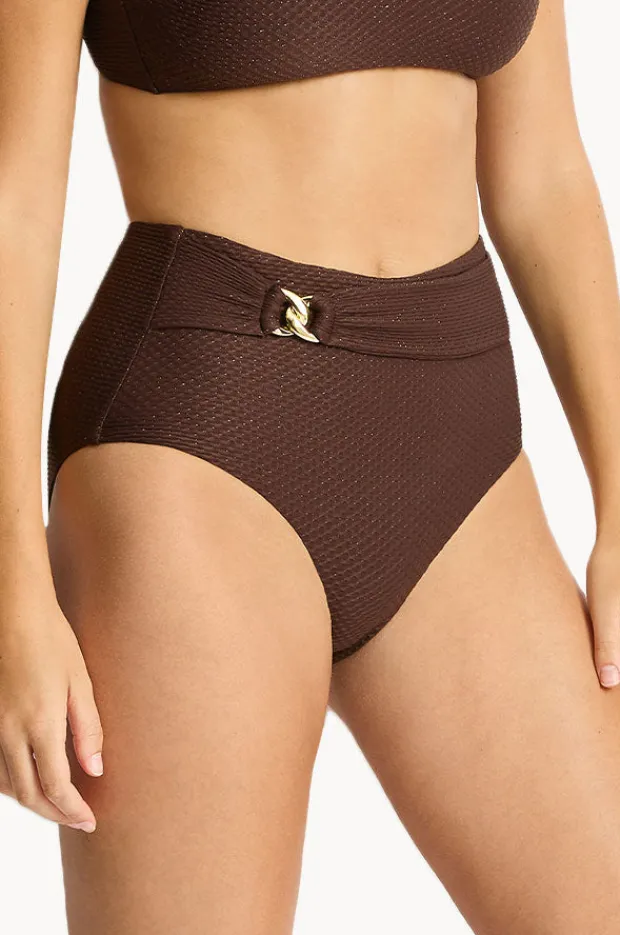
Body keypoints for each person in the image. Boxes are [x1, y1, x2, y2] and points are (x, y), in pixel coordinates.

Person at [2, 0, 620, 931]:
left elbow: (546, 175)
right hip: (203, 440)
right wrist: (10, 586)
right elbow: (13, 200)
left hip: (459, 449)